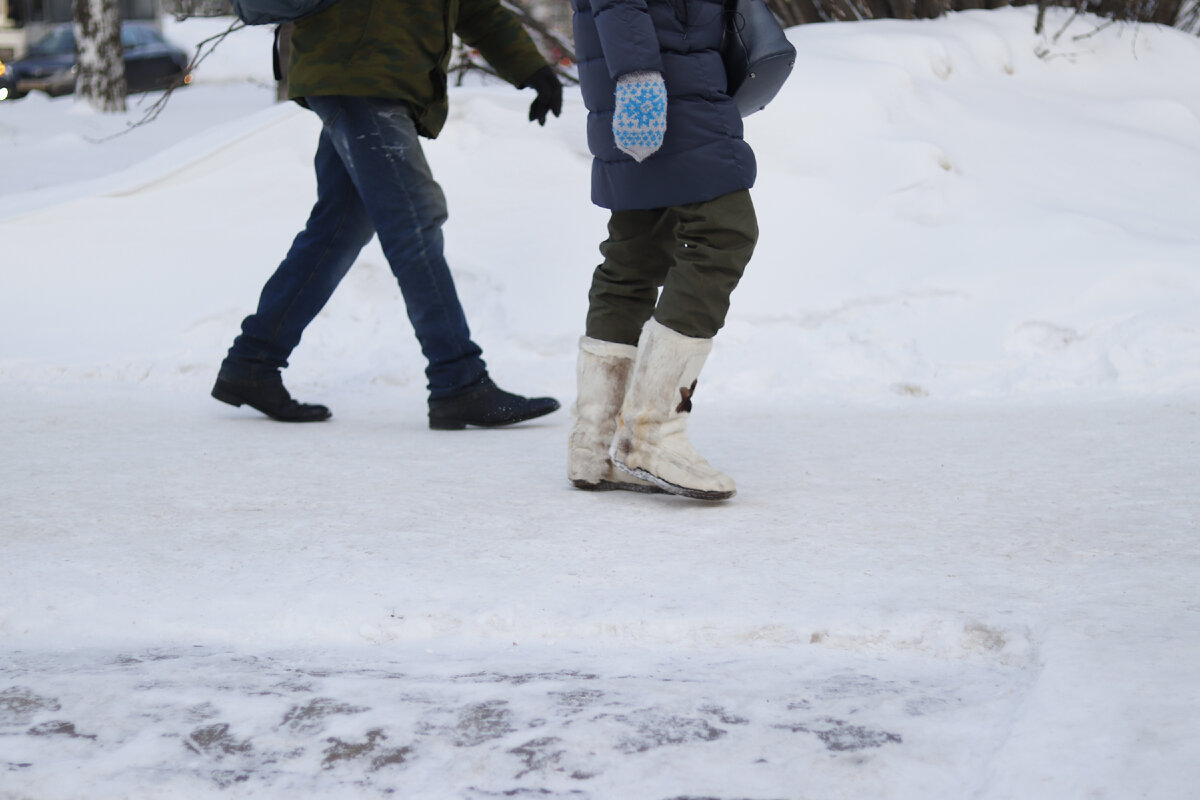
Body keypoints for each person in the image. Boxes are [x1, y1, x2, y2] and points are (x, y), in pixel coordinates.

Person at [212, 0, 564, 430]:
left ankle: (252, 363)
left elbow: (476, 10)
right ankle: (459, 380)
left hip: (379, 77)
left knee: (338, 228)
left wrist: (531, 69)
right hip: (358, 73)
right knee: (414, 221)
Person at [567, 0, 758, 500]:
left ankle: (599, 442)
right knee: (723, 233)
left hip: (661, 77)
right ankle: (652, 435)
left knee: (635, 255)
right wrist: (638, 76)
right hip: (663, 85)